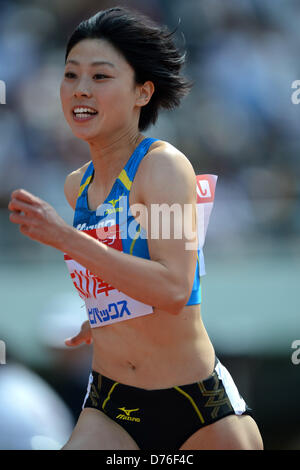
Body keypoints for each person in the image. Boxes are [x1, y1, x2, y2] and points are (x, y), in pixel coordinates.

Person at [8, 7, 263, 450]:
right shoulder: (78, 186)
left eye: (100, 77)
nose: (80, 89)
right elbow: (128, 272)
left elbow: (173, 288)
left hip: (195, 407)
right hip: (111, 403)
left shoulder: (161, 167)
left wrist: (66, 238)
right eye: (70, 75)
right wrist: (107, 312)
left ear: (143, 92)